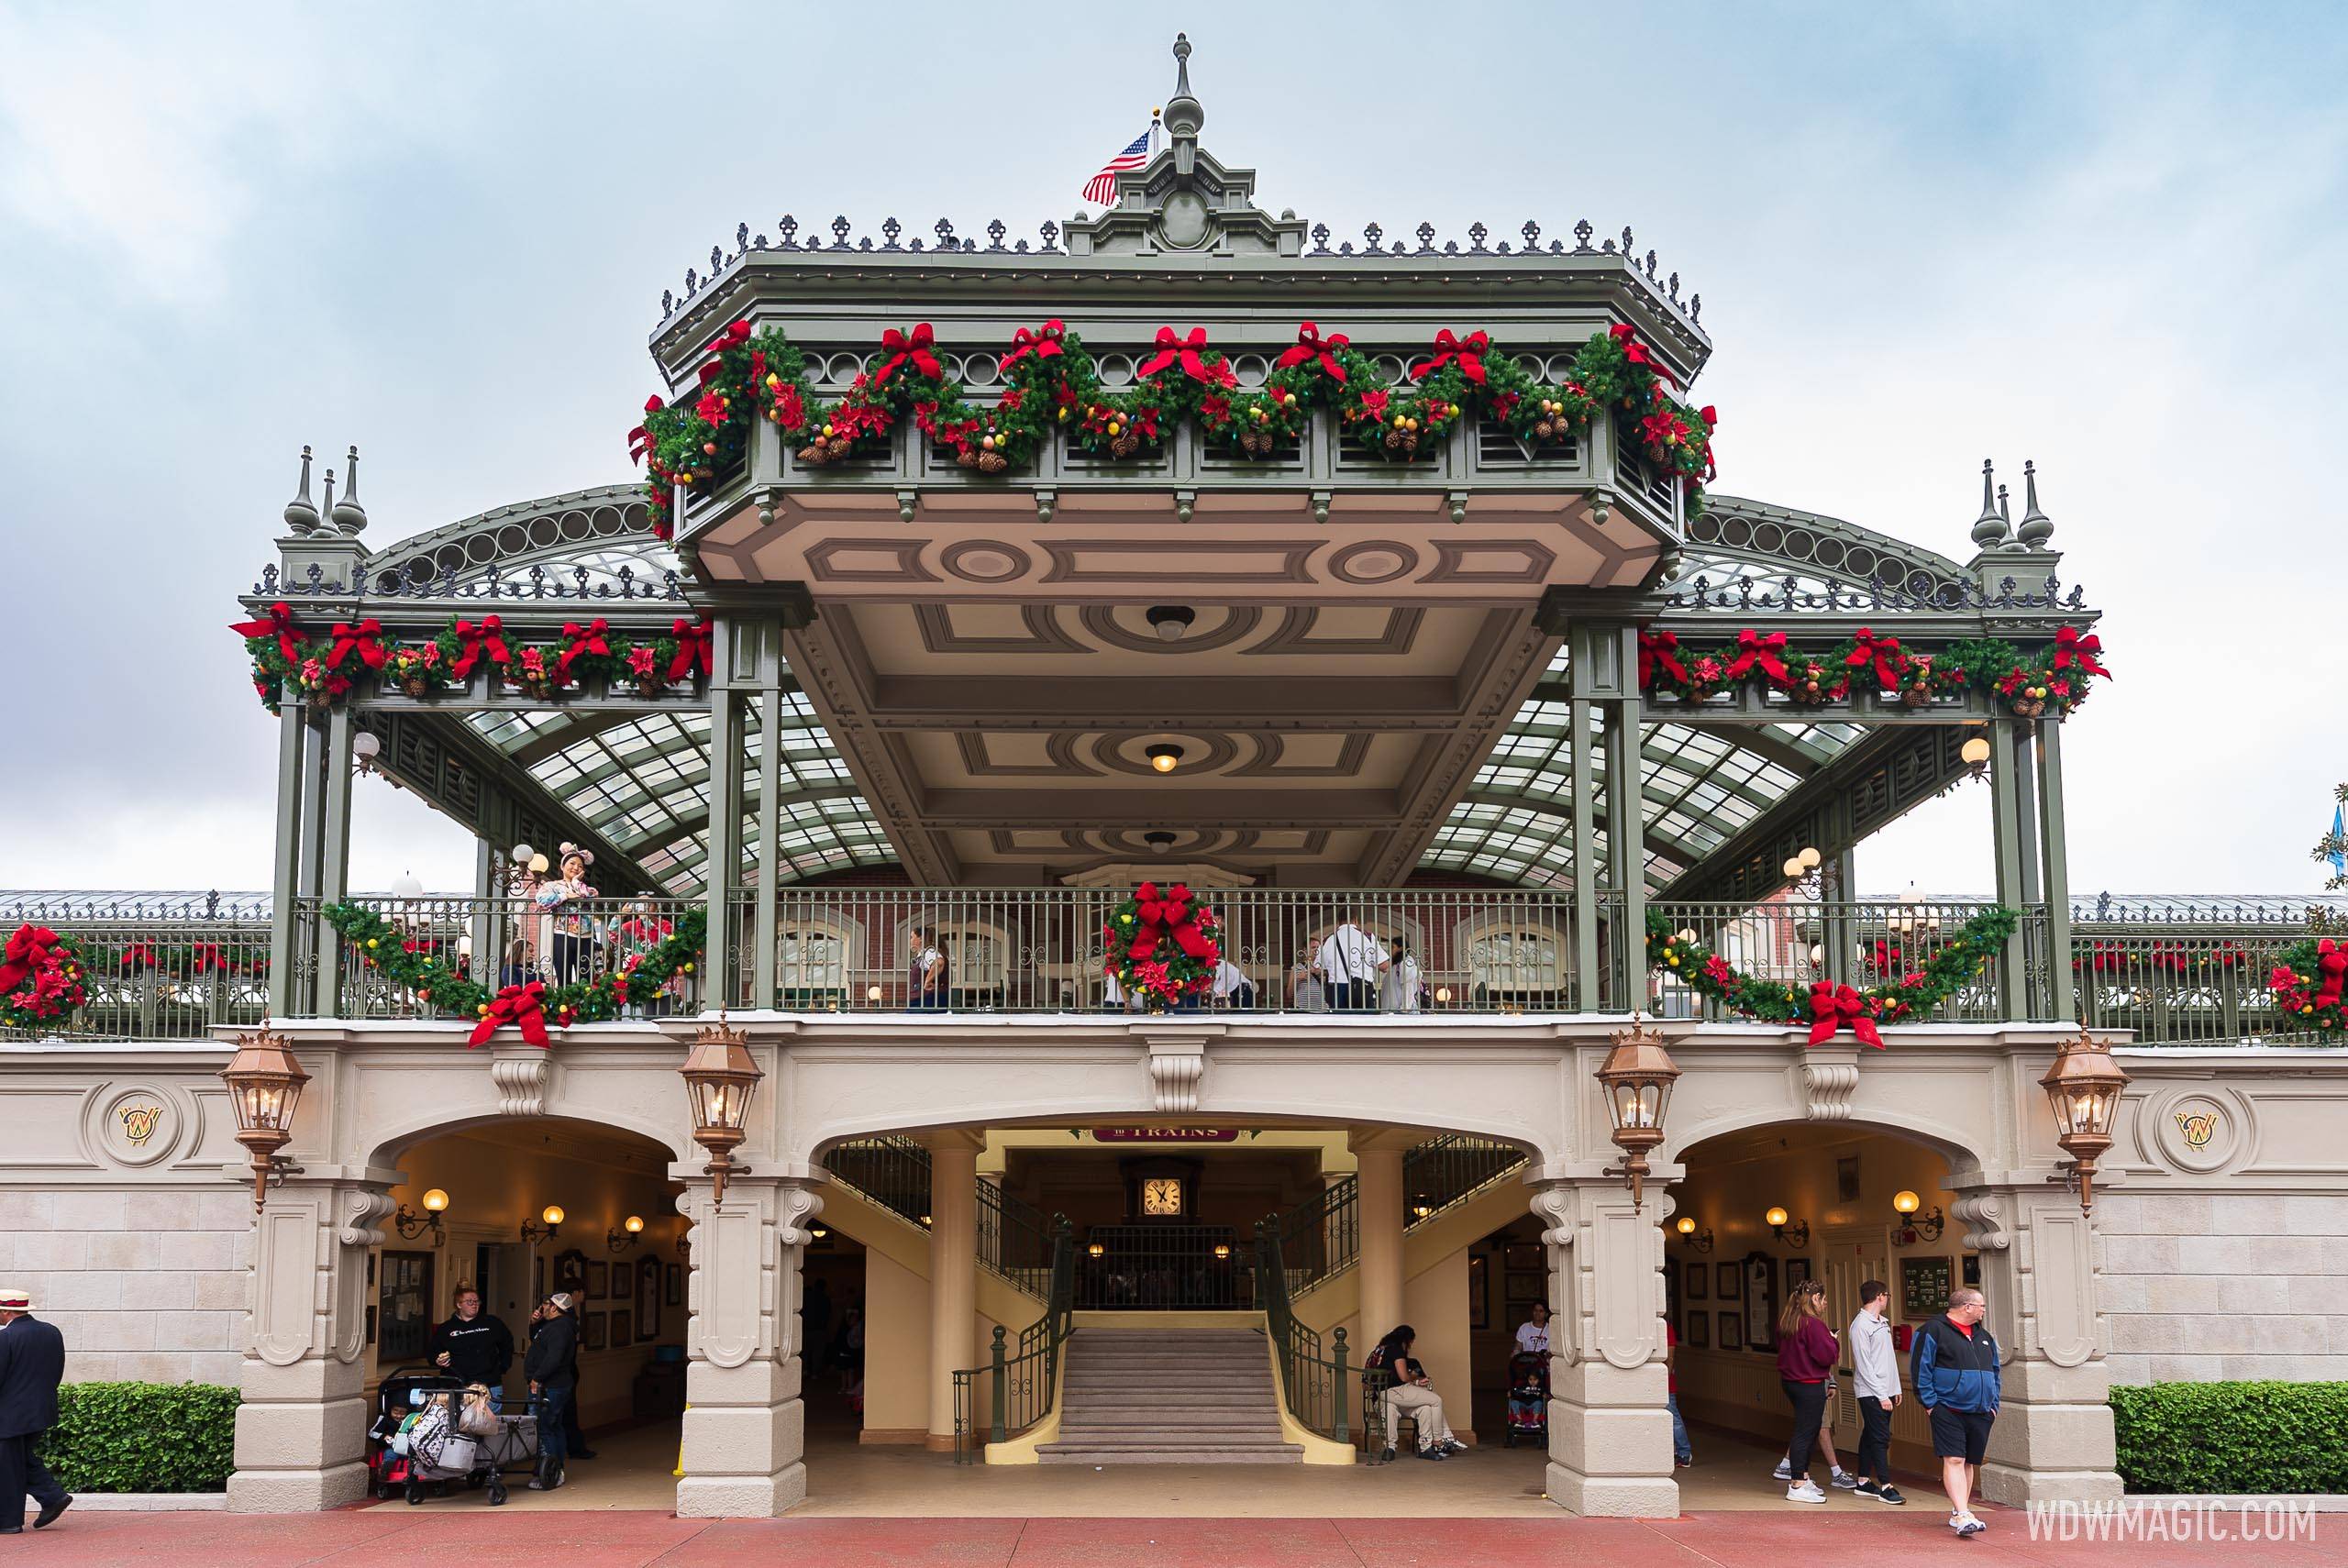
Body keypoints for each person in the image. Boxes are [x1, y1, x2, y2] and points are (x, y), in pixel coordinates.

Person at [1911, 1286, 1999, 1538]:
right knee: (1954, 1459)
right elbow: (1921, 1369)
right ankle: (1962, 1513)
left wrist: (1993, 1405)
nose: (1984, 1310)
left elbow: (1995, 1372)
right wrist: (1931, 1404)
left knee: (1969, 1461)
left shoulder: (1984, 1337)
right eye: (1981, 1305)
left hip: (1981, 1409)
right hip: (1947, 1407)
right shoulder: (1932, 1331)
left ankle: (1958, 1510)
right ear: (1967, 1307)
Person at [0, 1287, 70, 1534]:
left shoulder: (5, 1338)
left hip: (9, 1415)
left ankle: (9, 1522)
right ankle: (52, 1497)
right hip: (42, 1410)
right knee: (18, 1460)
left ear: (7, 1311)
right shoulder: (51, 1332)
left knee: (7, 1467)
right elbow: (57, 1370)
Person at [1774, 1279, 1838, 1503]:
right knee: (1806, 1432)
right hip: (1809, 1383)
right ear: (1815, 1298)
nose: (1826, 1302)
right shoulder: (1813, 1325)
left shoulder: (1787, 1321)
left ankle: (1804, 1477)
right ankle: (1797, 1484)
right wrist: (1833, 1341)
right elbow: (1826, 1356)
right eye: (1823, 1298)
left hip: (1791, 1382)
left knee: (1805, 1429)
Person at [1367, 1325, 1466, 1462]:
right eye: (1411, 1342)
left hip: (1384, 1397)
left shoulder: (1378, 1352)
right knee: (1436, 1400)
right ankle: (1438, 1441)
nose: (1411, 1345)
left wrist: (1415, 1383)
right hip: (1394, 1392)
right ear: (1406, 1340)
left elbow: (1365, 1384)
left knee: (1423, 1408)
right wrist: (1412, 1376)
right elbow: (1403, 1377)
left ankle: (1412, 1449)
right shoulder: (1396, 1350)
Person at [1846, 1279, 1904, 1503]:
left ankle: (1862, 1481)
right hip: (1870, 1391)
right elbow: (1864, 1364)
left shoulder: (1882, 1323)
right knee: (1880, 1437)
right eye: (1887, 1295)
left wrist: (1895, 1387)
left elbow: (1888, 1359)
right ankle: (1886, 1485)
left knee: (1870, 1434)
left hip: (1886, 1388)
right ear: (1880, 1296)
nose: (1888, 1299)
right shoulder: (1861, 1325)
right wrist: (1881, 1395)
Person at [523, 1291, 579, 1490]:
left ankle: (550, 1472)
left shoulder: (559, 1328)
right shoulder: (553, 1326)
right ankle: (556, 1469)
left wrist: (538, 1378)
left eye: (546, 1305)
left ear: (555, 1308)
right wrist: (534, 1323)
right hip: (553, 1385)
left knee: (545, 1428)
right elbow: (538, 1343)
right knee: (554, 1426)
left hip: (550, 1386)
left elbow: (554, 1357)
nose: (542, 1308)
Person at [429, 1285, 515, 1410]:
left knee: (489, 1425)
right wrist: (438, 1360)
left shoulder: (492, 1323)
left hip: (489, 1385)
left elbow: (508, 1344)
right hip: (457, 1386)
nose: (474, 1304)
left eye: (476, 1301)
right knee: (457, 1425)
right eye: (469, 1302)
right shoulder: (445, 1329)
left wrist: (502, 1367)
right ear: (459, 1304)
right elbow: (432, 1353)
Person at [534, 845, 601, 985]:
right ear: (562, 866)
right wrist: (565, 896)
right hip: (563, 935)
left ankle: (584, 1006)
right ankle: (566, 1006)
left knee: (586, 980)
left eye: (580, 866)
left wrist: (576, 882)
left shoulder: (586, 888)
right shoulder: (552, 885)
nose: (576, 867)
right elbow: (541, 900)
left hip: (586, 937)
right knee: (564, 978)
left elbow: (589, 895)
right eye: (572, 863)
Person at [1312, 912, 1379, 1011]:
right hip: (1361, 987)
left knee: (1339, 1023)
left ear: (1338, 922)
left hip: (1336, 988)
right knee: (1363, 1023)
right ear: (1356, 920)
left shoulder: (1328, 939)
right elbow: (1384, 965)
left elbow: (1317, 968)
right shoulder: (1367, 936)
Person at [1665, 1318, 1693, 1467]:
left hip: (1665, 1384)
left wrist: (1665, 1380)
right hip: (1658, 1382)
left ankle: (1684, 1452)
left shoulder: (1666, 1328)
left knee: (1672, 1418)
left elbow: (1670, 1357)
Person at [907, 923, 949, 1010]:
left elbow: (939, 963)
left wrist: (927, 981)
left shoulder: (929, 952)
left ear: (921, 939)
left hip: (926, 1001)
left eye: (912, 937)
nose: (910, 940)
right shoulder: (924, 954)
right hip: (925, 1000)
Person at [1378, 937, 1422, 1012]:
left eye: (1392, 947)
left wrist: (1404, 1009)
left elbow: (1408, 987)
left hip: (1398, 1013)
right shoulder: (1394, 966)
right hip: (1391, 1012)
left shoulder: (1405, 964)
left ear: (1400, 949)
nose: (1389, 950)